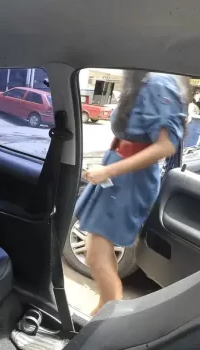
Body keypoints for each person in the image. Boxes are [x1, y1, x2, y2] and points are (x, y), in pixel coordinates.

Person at [75, 71, 189, 315]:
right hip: (118, 174)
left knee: (96, 257)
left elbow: (166, 145)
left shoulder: (158, 82)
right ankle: (105, 309)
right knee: (96, 254)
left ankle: (108, 314)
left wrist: (108, 171)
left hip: (130, 180)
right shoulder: (141, 81)